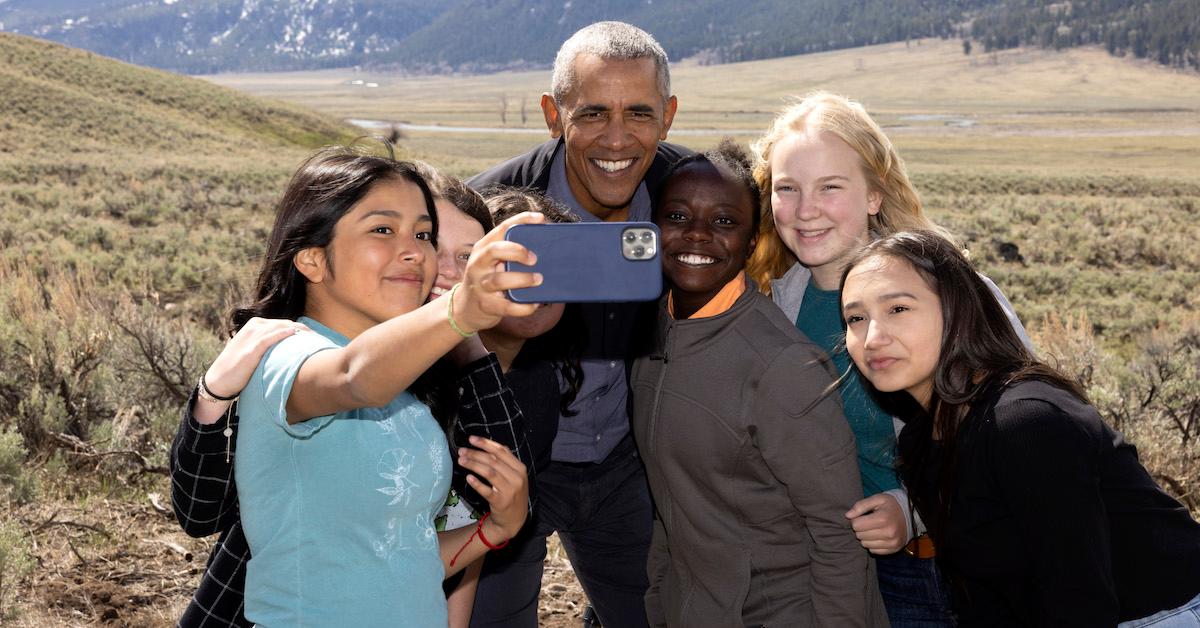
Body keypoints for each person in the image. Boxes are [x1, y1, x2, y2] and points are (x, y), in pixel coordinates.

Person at [169, 149, 538, 627]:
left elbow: (397, 563)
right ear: (312, 259)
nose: (415, 251)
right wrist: (460, 311)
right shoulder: (288, 355)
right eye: (382, 230)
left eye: (422, 234)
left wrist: (496, 529)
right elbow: (352, 377)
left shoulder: (408, 395)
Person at [745, 90, 1031, 626]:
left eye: (831, 187)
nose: (806, 210)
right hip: (834, 570)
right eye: (788, 188)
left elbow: (1022, 438)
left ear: (874, 194)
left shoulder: (950, 295)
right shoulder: (777, 303)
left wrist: (911, 510)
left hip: (947, 568)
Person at [839, 230, 1200, 627]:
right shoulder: (925, 439)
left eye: (898, 309)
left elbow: (1080, 601)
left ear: (958, 309)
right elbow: (985, 595)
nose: (872, 337)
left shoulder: (1025, 421)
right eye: (856, 318)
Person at [466, 21, 690, 628]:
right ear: (551, 113)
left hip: (627, 461)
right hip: (504, 462)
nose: (616, 139)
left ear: (667, 116)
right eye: (591, 113)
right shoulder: (488, 210)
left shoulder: (696, 197)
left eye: (639, 114)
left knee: (648, 616)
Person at [631, 140, 888, 627]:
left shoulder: (784, 366)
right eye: (678, 217)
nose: (697, 237)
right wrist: (659, 600)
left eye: (724, 222)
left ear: (752, 242)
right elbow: (673, 501)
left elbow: (838, 535)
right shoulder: (652, 333)